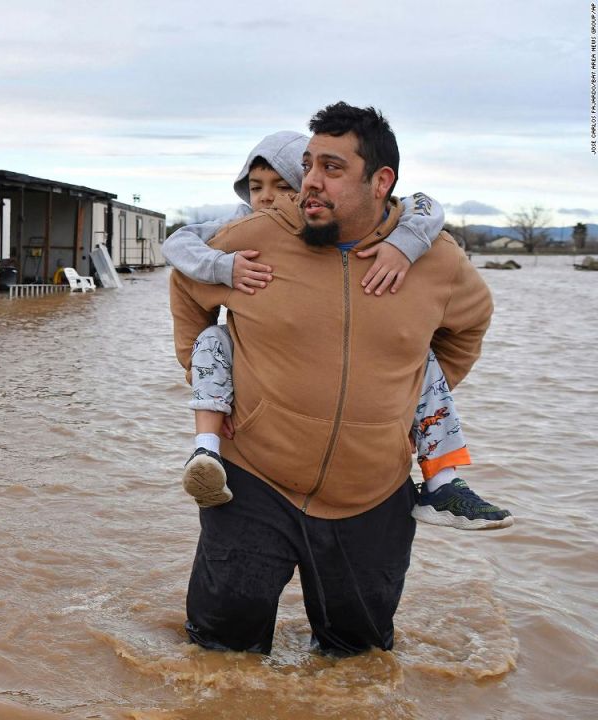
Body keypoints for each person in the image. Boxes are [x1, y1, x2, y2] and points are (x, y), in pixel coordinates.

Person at [169, 102, 495, 655]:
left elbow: (470, 324)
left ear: (380, 181)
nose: (309, 183)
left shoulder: (434, 259)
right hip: (252, 483)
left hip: (373, 495)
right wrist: (221, 392)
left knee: (358, 661)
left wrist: (398, 402)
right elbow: (186, 285)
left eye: (332, 168)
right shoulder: (256, 239)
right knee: (219, 660)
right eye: (309, 164)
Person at [162, 131, 511, 530]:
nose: (268, 198)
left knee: (422, 358)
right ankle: (205, 450)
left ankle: (442, 483)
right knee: (212, 341)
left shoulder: (413, 241)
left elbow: (425, 208)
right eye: (256, 188)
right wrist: (221, 269)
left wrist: (400, 402)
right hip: (256, 474)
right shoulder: (246, 234)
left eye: (282, 186)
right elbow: (181, 255)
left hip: (373, 489)